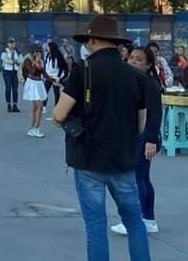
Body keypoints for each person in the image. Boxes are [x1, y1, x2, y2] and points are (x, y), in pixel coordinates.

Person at [51, 15, 150, 261]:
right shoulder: (134, 75)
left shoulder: (83, 71)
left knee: (95, 226)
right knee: (134, 222)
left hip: (88, 160)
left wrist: (58, 118)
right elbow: (141, 122)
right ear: (116, 43)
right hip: (123, 161)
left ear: (92, 40)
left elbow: (59, 113)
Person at [111, 45, 163, 236]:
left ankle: (136, 220)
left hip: (144, 137)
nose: (133, 61)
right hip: (138, 135)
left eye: (139, 59)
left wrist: (150, 139)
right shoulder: (134, 81)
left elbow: (155, 114)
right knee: (143, 178)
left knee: (137, 179)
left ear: (149, 64)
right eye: (131, 57)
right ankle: (148, 219)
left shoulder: (148, 84)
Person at [22, 49, 47, 137]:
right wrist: (36, 61)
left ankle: (32, 128)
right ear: (32, 52)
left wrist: (52, 80)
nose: (38, 53)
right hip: (31, 84)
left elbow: (43, 72)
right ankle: (36, 128)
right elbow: (32, 71)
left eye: (39, 51)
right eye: (36, 51)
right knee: (39, 106)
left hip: (38, 83)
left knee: (35, 107)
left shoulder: (40, 61)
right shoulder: (27, 60)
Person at [43, 41, 69, 107]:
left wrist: (58, 77)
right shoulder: (47, 55)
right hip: (48, 77)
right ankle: (43, 106)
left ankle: (57, 106)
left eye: (48, 47)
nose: (47, 48)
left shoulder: (58, 56)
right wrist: (45, 75)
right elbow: (46, 66)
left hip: (56, 77)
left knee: (56, 93)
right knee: (44, 91)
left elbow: (62, 67)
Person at [1, 38, 22, 113]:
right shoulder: (5, 52)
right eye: (10, 43)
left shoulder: (18, 52)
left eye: (13, 43)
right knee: (8, 87)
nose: (12, 44)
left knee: (15, 89)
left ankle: (15, 105)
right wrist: (14, 61)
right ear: (8, 44)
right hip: (7, 71)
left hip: (15, 71)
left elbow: (21, 61)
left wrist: (17, 62)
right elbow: (5, 60)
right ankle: (9, 105)